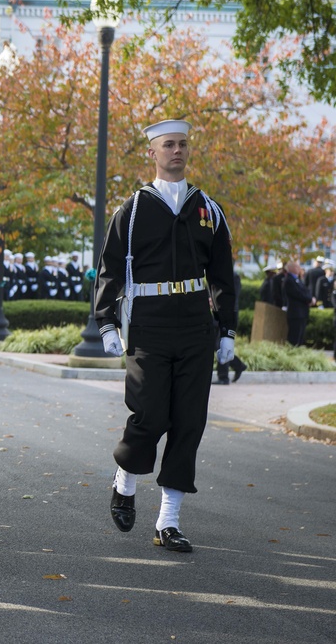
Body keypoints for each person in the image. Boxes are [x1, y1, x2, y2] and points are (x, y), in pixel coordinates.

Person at [94, 119, 236, 554]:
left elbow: (223, 275)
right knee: (150, 415)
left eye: (183, 144)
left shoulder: (207, 209)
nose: (177, 151)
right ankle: (126, 478)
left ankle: (168, 521)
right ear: (152, 153)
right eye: (169, 145)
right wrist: (105, 322)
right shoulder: (132, 210)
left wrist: (227, 330)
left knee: (189, 421)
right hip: (150, 324)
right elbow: (110, 270)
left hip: (195, 325)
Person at [215, 269, 247, 384]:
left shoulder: (233, 276)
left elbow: (233, 296)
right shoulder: (215, 275)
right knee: (215, 344)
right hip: (217, 313)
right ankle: (238, 365)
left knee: (221, 343)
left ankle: (223, 377)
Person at [283, 261, 314, 346]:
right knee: (294, 339)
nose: (299, 269)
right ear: (291, 268)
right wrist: (309, 299)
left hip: (301, 313)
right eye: (297, 267)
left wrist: (311, 299)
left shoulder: (297, 279)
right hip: (295, 313)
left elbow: (305, 290)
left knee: (300, 338)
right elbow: (298, 294)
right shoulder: (289, 280)